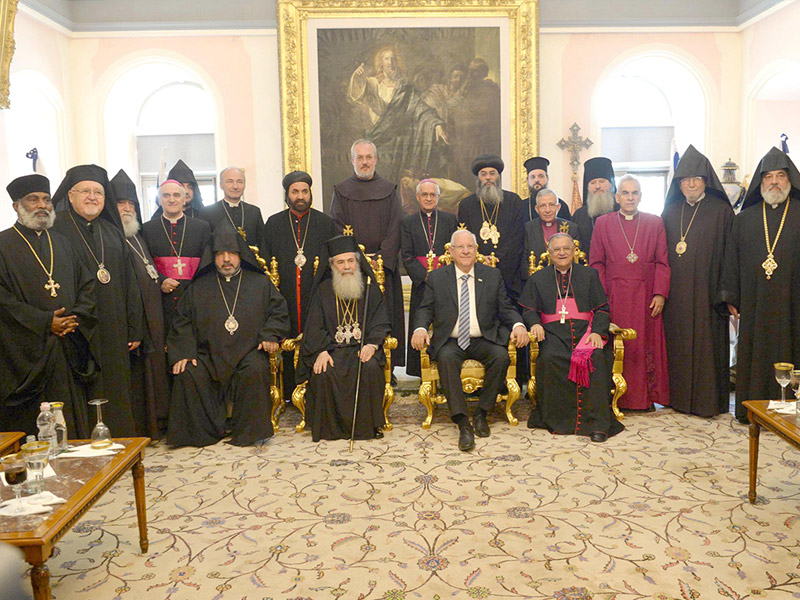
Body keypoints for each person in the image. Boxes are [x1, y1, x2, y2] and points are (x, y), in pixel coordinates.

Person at [167, 223, 290, 447]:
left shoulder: (261, 284)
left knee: (255, 368)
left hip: (248, 352)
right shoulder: (198, 287)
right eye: (220, 254)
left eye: (232, 253)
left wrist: (270, 334)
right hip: (208, 354)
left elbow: (279, 312)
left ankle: (247, 433)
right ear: (212, 257)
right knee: (188, 372)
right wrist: (185, 351)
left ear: (240, 255)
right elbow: (182, 320)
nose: (226, 259)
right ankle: (202, 433)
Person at [411, 229, 528, 451]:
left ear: (476, 250)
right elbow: (425, 308)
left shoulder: (492, 275)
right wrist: (419, 328)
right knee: (445, 359)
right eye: (460, 247)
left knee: (501, 356)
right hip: (452, 340)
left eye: (470, 247)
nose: (465, 251)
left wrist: (518, 325)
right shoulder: (437, 277)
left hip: (483, 337)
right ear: (451, 251)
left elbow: (505, 307)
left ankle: (483, 413)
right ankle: (463, 421)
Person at [0, 174, 97, 437]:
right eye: (33, 200)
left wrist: (74, 318)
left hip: (67, 342)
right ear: (16, 206)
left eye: (46, 199)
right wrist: (45, 322)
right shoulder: (2, 245)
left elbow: (87, 285)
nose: (42, 205)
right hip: (27, 352)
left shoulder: (64, 243)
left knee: (69, 414)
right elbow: (3, 301)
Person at [52, 164, 144, 437]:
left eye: (99, 193)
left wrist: (134, 326)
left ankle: (119, 445)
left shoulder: (112, 231)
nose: (92, 197)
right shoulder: (57, 229)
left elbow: (129, 282)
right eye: (86, 192)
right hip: (78, 328)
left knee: (115, 386)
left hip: (114, 325)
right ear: (70, 195)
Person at [721, 147, 800, 424]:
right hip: (755, 303)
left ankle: (792, 410)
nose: (774, 182)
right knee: (755, 352)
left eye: (780, 176)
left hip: (794, 302)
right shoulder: (745, 219)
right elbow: (731, 259)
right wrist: (731, 296)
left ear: (790, 180)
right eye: (768, 177)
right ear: (760, 182)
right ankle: (752, 410)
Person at [520, 233, 623, 442]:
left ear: (574, 250)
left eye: (566, 248)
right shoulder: (537, 279)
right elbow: (528, 309)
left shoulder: (590, 275)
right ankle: (558, 421)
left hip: (586, 331)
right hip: (553, 334)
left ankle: (597, 423)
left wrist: (597, 332)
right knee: (550, 358)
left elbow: (603, 309)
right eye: (556, 249)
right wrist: (535, 323)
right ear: (549, 253)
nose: (562, 253)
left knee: (595, 359)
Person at [662, 145, 734, 417]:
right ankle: (679, 399)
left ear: (706, 181)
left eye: (696, 179)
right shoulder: (669, 212)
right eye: (685, 180)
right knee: (678, 345)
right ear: (678, 184)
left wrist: (727, 293)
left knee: (707, 346)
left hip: (709, 293)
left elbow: (731, 254)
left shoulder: (721, 211)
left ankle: (708, 402)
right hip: (677, 296)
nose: (691, 184)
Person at [298, 235, 391, 442]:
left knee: (370, 368)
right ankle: (329, 428)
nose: (346, 266)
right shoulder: (323, 291)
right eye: (341, 262)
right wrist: (321, 350)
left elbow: (381, 321)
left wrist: (372, 344)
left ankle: (369, 426)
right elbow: (313, 326)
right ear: (332, 266)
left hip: (362, 348)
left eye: (351, 261)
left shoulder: (369, 288)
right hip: (331, 349)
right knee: (323, 371)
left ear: (358, 262)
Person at [590, 174, 670, 411]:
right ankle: (615, 397)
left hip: (646, 296)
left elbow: (663, 262)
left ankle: (643, 399)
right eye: (625, 193)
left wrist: (660, 293)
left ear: (641, 196)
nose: (630, 197)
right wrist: (602, 298)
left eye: (634, 193)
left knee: (643, 346)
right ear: (617, 197)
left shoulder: (654, 222)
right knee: (616, 345)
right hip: (614, 295)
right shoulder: (603, 223)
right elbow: (596, 263)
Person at [330, 139, 405, 371]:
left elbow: (396, 227)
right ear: (352, 160)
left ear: (376, 159)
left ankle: (387, 369)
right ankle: (355, 366)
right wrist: (356, 261)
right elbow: (337, 226)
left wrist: (380, 260)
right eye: (360, 158)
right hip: (353, 270)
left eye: (368, 157)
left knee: (386, 318)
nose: (364, 162)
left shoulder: (390, 190)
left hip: (384, 270)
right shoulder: (341, 191)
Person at [262, 171, 336, 400]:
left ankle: (316, 388)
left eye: (304, 191)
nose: (300, 196)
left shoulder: (325, 223)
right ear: (287, 195)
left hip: (316, 296)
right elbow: (265, 261)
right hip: (283, 296)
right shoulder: (274, 223)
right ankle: (286, 392)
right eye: (295, 192)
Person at [112, 169, 170, 438]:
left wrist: (160, 282)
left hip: (153, 313)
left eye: (130, 204)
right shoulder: (112, 237)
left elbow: (148, 270)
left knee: (155, 367)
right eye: (121, 203)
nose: (126, 208)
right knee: (139, 375)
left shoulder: (136, 234)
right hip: (133, 318)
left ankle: (156, 423)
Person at [347, 47, 448, 183]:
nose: (391, 62)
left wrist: (436, 124)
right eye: (387, 59)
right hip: (378, 141)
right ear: (381, 63)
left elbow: (421, 108)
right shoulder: (373, 83)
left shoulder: (405, 89)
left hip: (401, 146)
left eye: (393, 59)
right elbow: (356, 95)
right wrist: (358, 78)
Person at [400, 179, 458, 377]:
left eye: (432, 195)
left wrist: (443, 277)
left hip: (446, 282)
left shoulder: (450, 220)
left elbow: (456, 250)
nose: (428, 198)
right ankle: (420, 372)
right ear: (417, 197)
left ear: (438, 197)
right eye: (424, 195)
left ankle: (445, 371)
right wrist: (424, 277)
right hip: (421, 283)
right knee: (420, 323)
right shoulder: (408, 222)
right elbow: (406, 255)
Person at [142, 180, 211, 334]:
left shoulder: (202, 227)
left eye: (176, 195)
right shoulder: (147, 229)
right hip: (161, 298)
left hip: (193, 296)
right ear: (159, 200)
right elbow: (144, 261)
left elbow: (207, 261)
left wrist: (195, 287)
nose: (171, 199)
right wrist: (161, 280)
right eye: (166, 195)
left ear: (184, 198)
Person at [456, 154, 525, 302]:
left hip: (509, 273)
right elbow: (463, 237)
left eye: (492, 173)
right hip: (475, 271)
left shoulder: (514, 201)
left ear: (498, 177)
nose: (488, 178)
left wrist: (496, 259)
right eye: (483, 174)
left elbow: (517, 238)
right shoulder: (466, 205)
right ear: (478, 178)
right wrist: (480, 259)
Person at [523, 189, 583, 281]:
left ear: (558, 207)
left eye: (551, 205)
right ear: (537, 209)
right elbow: (524, 261)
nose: (548, 210)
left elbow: (576, 259)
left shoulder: (571, 228)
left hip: (566, 280)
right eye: (543, 206)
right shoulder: (528, 229)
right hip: (538, 281)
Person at [200, 166, 265, 245]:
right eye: (230, 182)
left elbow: (262, 242)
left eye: (240, 182)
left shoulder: (254, 212)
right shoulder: (208, 212)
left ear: (245, 185)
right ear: (221, 185)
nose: (235, 186)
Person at [572, 157, 619, 256]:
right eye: (593, 183)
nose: (597, 186)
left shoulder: (621, 211)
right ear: (588, 187)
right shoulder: (579, 215)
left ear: (610, 185)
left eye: (602, 181)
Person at [521, 156, 571, 223]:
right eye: (532, 177)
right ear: (527, 180)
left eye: (541, 176)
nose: (537, 180)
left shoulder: (561, 205)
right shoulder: (521, 207)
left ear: (547, 178)